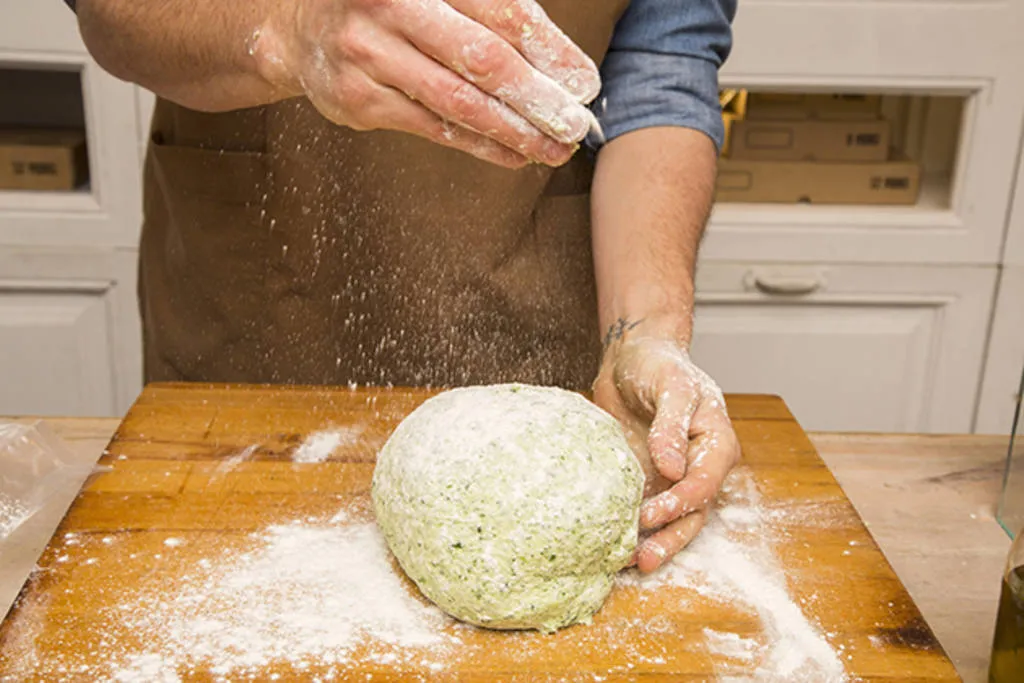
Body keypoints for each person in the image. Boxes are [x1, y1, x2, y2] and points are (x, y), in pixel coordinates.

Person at [66, 0, 742, 573]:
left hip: (529, 286)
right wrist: (286, 28)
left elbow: (661, 68)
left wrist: (646, 332)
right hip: (255, 304)